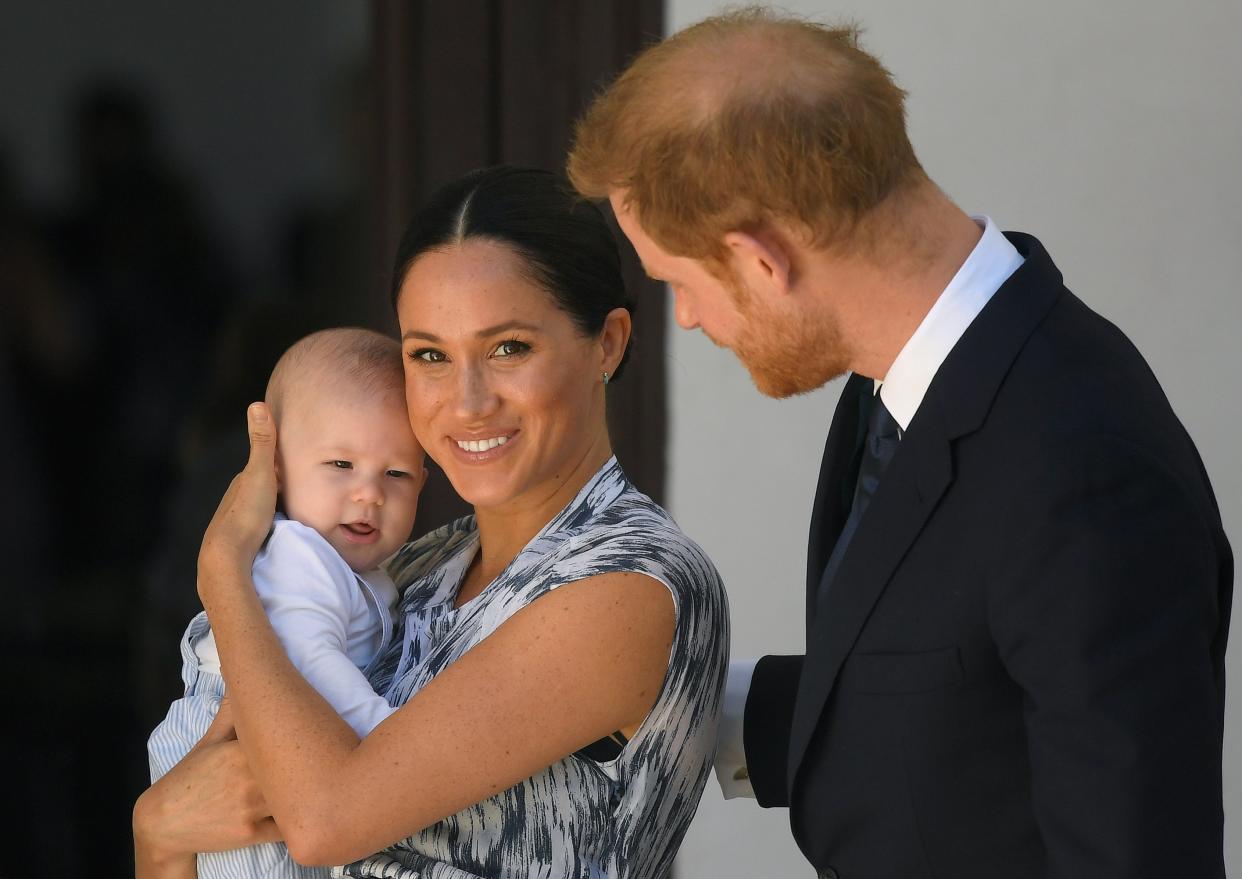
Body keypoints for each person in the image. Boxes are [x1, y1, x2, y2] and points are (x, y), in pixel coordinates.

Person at [567, 8, 1232, 879]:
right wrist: (651, 696)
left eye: (678, 284)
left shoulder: (1084, 467)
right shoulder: (905, 379)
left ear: (761, 260)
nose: (688, 318)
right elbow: (947, 698)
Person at [133, 166, 730, 879]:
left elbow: (324, 820)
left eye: (509, 347)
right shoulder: (408, 570)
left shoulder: (629, 581)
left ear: (608, 342)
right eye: (430, 355)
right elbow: (215, 832)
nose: (468, 401)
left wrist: (223, 571)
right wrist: (157, 832)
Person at [147, 327, 426, 878]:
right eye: (341, 465)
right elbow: (311, 662)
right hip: (234, 753)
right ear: (274, 470)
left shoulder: (366, 571)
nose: (369, 493)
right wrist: (391, 746)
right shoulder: (300, 556)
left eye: (396, 473)